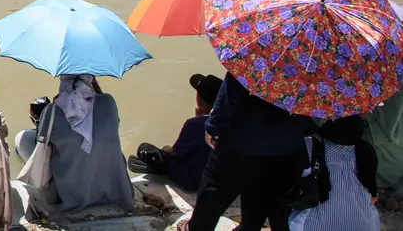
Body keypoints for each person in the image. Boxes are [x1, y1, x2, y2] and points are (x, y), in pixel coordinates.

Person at [186, 73, 310, 231]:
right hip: (288, 148)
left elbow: (228, 97)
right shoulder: (313, 65)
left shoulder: (255, 56)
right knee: (262, 202)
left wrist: (212, 127)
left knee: (212, 197)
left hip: (241, 144)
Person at [15, 76, 134, 214]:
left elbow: (40, 145)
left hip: (70, 198)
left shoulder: (52, 112)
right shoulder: (109, 102)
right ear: (91, 78)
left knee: (22, 139)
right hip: (115, 192)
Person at [129, 73, 220, 192]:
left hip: (192, 180)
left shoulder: (194, 124)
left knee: (145, 149)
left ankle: (160, 167)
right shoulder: (233, 122)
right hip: (220, 177)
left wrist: (166, 149)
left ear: (199, 101)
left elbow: (175, 152)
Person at [290, 116, 379, 230]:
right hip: (366, 225)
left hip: (314, 225)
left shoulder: (309, 144)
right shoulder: (366, 150)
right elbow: (373, 195)